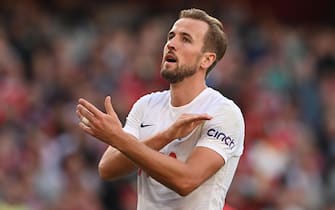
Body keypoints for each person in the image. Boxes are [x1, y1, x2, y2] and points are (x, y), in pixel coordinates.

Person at [76, 8, 245, 210]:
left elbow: (186, 181)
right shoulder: (146, 105)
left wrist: (119, 138)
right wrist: (165, 136)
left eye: (186, 39)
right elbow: (107, 169)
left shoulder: (223, 112)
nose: (171, 44)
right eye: (171, 36)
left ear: (206, 59)